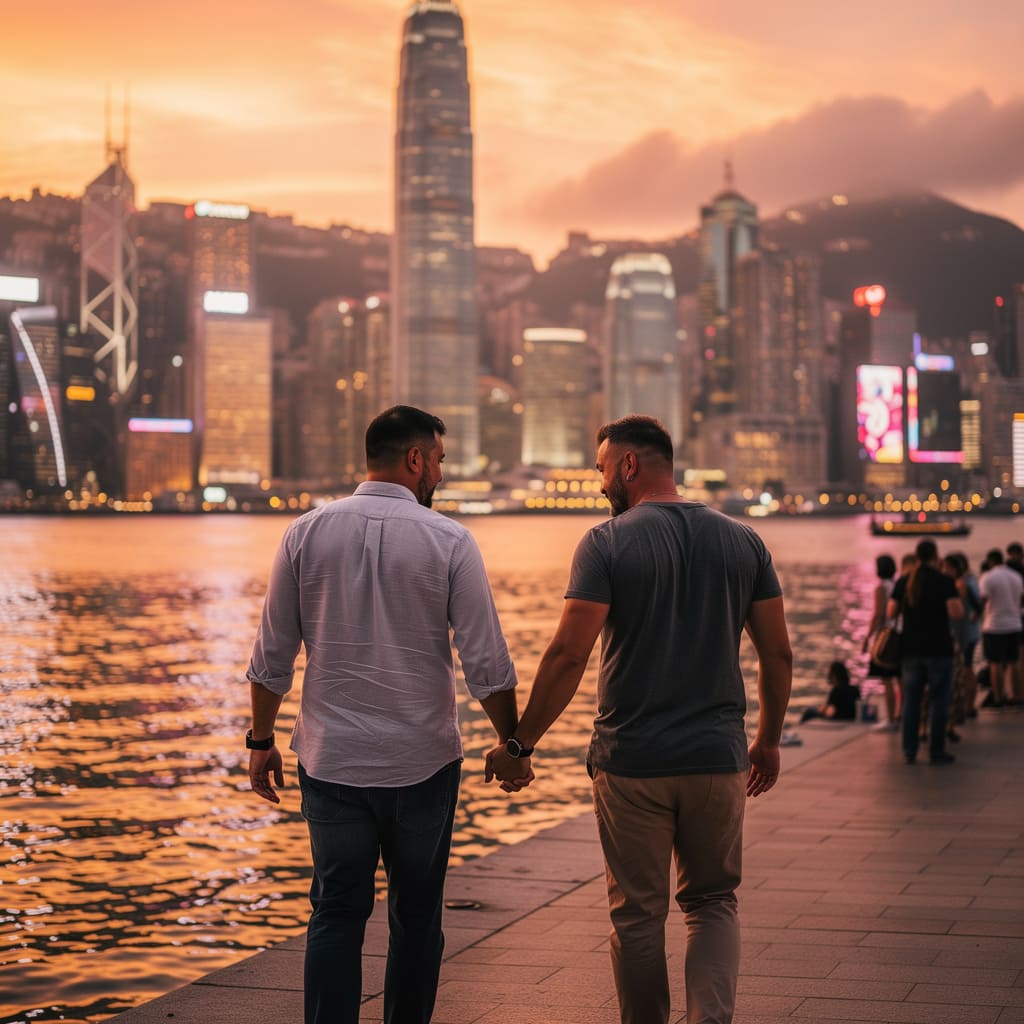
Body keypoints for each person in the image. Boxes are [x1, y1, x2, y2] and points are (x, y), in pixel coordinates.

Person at [485, 415, 793, 1024]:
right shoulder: (744, 542)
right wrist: (769, 740)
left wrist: (520, 743)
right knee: (713, 903)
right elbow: (778, 652)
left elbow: (570, 653)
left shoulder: (606, 542)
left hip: (632, 761)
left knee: (637, 914)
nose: (600, 483)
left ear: (629, 465)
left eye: (602, 469)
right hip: (717, 756)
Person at [245, 405, 521, 1024]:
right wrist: (514, 745)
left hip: (332, 760)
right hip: (421, 763)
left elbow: (271, 654)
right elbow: (486, 662)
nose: (441, 477)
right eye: (440, 462)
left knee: (336, 910)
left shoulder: (304, 533)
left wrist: (259, 739)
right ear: (415, 459)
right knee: (417, 917)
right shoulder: (449, 540)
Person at [888, 539, 963, 765]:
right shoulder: (944, 581)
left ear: (916, 556)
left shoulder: (904, 581)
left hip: (910, 650)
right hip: (940, 649)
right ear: (935, 556)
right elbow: (956, 612)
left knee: (912, 701)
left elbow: (891, 612)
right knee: (939, 701)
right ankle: (936, 750)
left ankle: (909, 750)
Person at [979, 547, 1023, 708]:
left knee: (994, 663)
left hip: (994, 625)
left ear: (990, 561)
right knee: (1015, 662)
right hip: (1015, 624)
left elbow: (983, 601)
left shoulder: (988, 577)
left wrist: (976, 616)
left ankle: (998, 699)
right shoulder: (1016, 576)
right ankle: (1018, 697)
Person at [862, 553, 900, 730]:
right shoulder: (896, 585)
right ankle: (900, 715)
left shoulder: (881, 588)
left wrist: (868, 637)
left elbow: (878, 615)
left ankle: (891, 719)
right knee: (900, 680)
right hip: (899, 634)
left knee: (887, 680)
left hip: (886, 637)